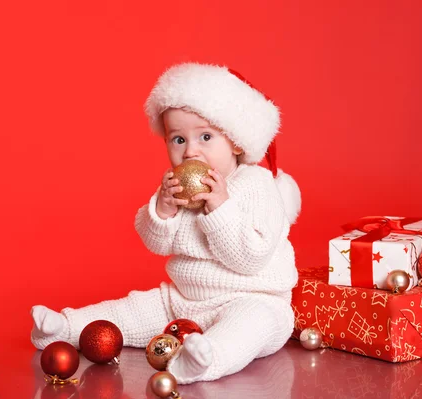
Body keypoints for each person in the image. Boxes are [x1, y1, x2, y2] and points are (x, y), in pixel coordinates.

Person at [30, 63, 301, 383]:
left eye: (205, 136)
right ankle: (65, 327)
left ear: (236, 142)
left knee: (249, 327)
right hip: (184, 300)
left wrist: (219, 208)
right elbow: (156, 242)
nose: (191, 151)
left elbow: (250, 257)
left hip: (252, 299)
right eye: (178, 139)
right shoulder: (177, 187)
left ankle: (205, 359)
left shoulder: (256, 184)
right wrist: (162, 209)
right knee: (131, 309)